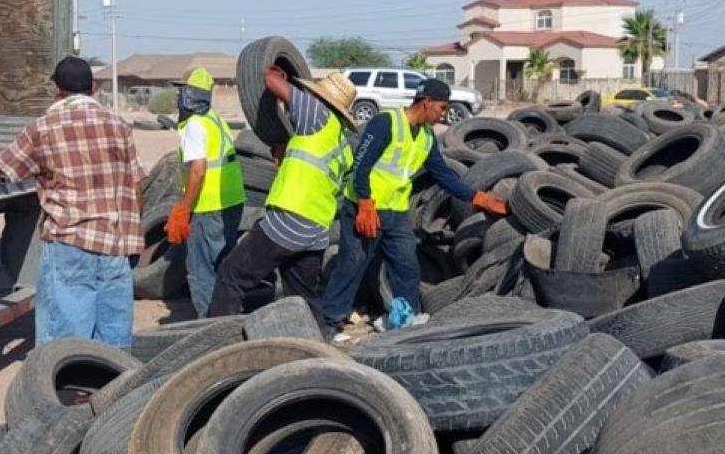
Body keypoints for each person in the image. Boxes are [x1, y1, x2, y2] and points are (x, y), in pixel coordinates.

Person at [0, 56, 144, 348]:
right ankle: (111, 389)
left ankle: (65, 389)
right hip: (115, 244)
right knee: (114, 332)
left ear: (54, 89)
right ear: (93, 87)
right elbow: (135, 184)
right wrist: (135, 239)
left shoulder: (43, 129)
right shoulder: (119, 126)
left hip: (69, 243)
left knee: (67, 334)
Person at [322, 78, 507, 337]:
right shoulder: (385, 123)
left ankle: (404, 319)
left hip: (396, 213)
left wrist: (479, 198)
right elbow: (361, 166)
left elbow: (444, 175)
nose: (444, 113)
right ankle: (330, 322)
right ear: (426, 102)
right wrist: (364, 204)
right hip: (365, 209)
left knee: (407, 266)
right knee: (352, 265)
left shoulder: (426, 136)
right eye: (441, 108)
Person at [206, 68, 360, 330]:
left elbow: (270, 81)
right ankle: (315, 346)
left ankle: (216, 343)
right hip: (316, 231)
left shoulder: (316, 114)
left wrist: (276, 73)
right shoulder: (341, 144)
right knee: (301, 297)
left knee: (232, 275)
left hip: (289, 220)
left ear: (321, 97)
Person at [163, 67, 245, 317]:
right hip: (231, 202)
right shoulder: (215, 120)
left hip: (207, 207)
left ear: (189, 94)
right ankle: (229, 317)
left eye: (181, 90)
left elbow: (198, 169)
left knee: (201, 271)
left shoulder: (194, 126)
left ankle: (210, 327)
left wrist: (183, 209)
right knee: (222, 265)